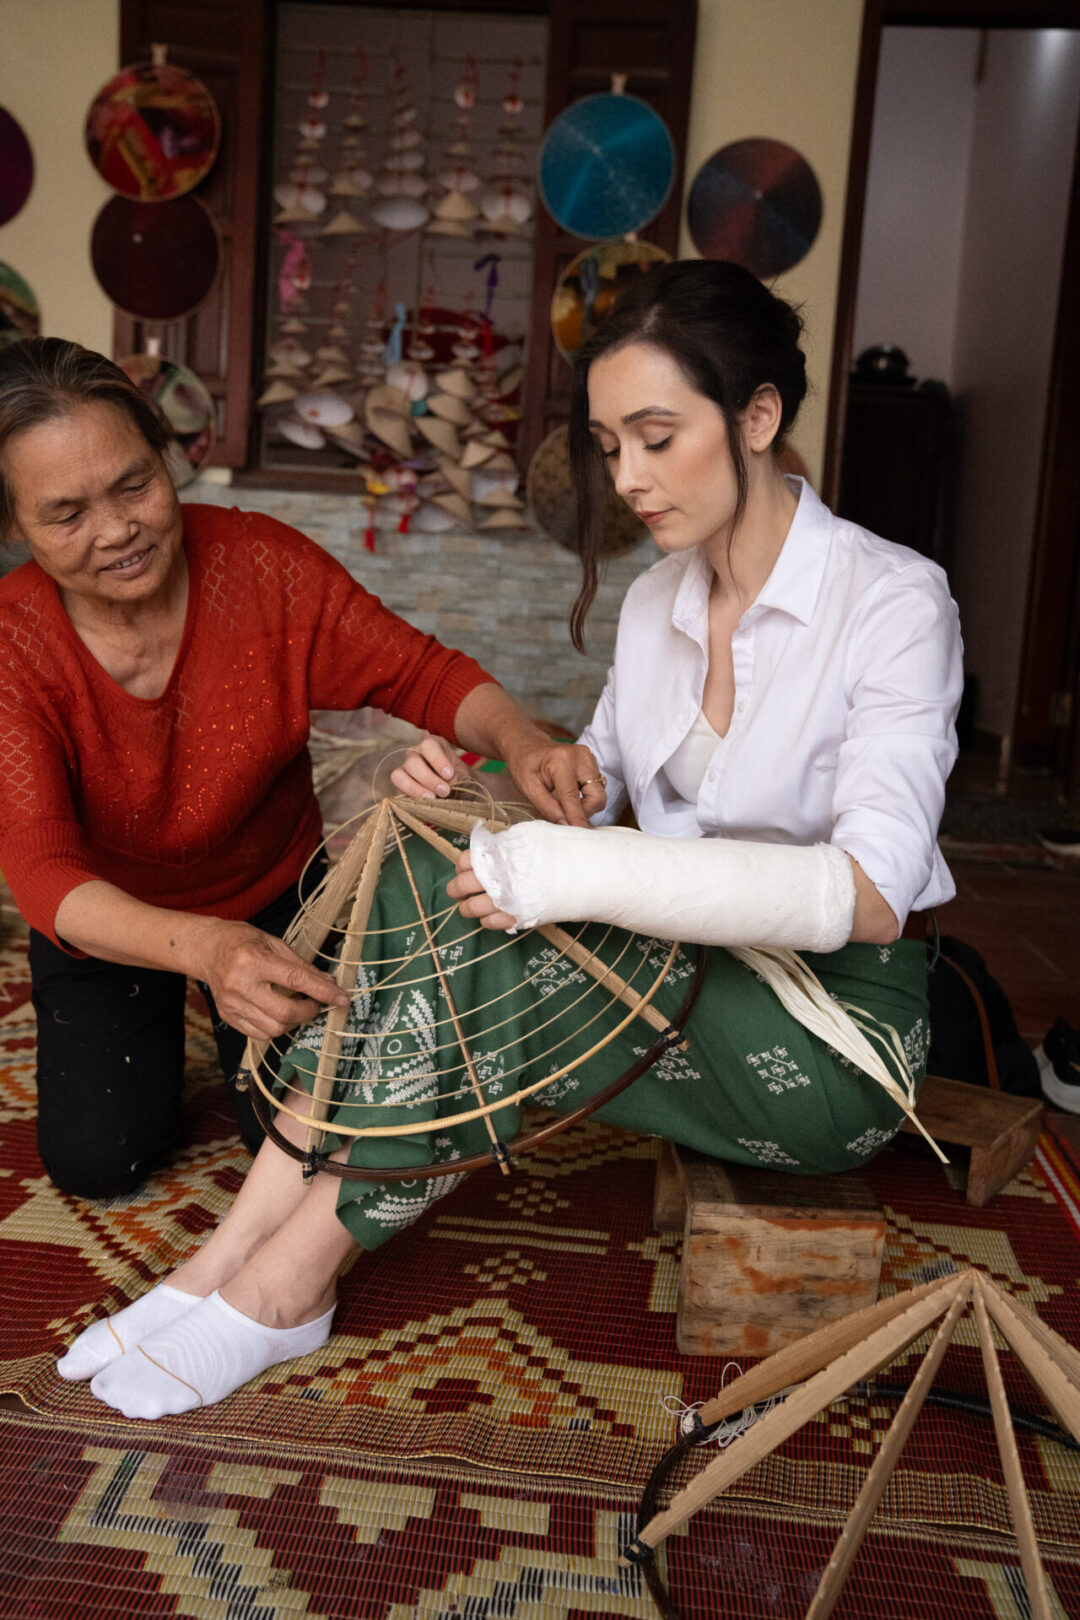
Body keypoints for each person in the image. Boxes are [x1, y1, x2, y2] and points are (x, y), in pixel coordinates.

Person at [57, 263, 964, 1421]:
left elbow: (877, 892)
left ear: (757, 417)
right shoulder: (659, 604)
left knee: (501, 943)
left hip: (825, 1035)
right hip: (685, 981)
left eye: (656, 437)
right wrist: (471, 782)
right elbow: (589, 790)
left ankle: (288, 1286)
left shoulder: (894, 602)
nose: (626, 480)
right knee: (426, 867)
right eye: (609, 444)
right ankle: (221, 1262)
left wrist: (573, 867)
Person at [0, 337, 597, 1204]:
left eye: (135, 484)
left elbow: (419, 672)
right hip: (113, 921)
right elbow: (45, 875)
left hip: (276, 890)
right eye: (67, 513)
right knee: (102, 1161)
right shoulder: (14, 646)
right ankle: (159, 1018)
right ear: (17, 524)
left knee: (302, 1136)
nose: (118, 529)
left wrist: (524, 739)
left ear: (168, 458)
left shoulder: (260, 565)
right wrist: (204, 949)